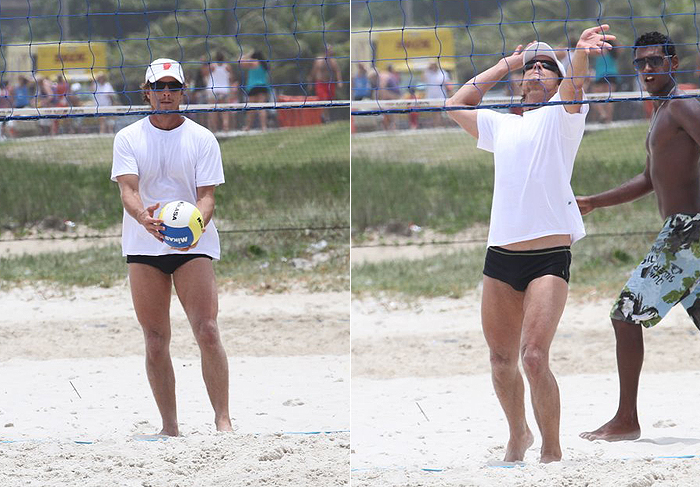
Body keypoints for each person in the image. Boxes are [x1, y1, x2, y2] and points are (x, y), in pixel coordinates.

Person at [445, 25, 615, 463]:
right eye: (532, 67)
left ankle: (552, 453)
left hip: (548, 257)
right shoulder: (500, 125)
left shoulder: (564, 114)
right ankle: (518, 434)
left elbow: (576, 80)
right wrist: (510, 62)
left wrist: (577, 53)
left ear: (559, 83)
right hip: (500, 256)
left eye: (547, 68)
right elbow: (455, 104)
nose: (537, 71)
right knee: (502, 360)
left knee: (534, 357)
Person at [578, 32, 700, 443]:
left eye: (654, 61)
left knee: (624, 316)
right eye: (641, 63)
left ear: (673, 62)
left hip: (689, 232)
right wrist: (595, 201)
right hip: (683, 233)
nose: (647, 70)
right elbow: (650, 178)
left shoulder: (682, 104)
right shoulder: (662, 110)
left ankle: (626, 419)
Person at [110, 58, 233, 437]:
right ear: (146, 92)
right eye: (158, 87)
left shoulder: (201, 138)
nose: (166, 93)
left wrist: (195, 227)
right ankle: (169, 428)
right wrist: (144, 220)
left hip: (192, 243)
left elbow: (207, 197)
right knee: (155, 338)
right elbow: (128, 191)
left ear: (183, 92)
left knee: (207, 330)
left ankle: (223, 421)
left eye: (172, 87)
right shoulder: (128, 137)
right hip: (144, 243)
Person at [204, 52, 238, 133]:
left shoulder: (212, 66)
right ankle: (225, 127)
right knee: (224, 111)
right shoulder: (227, 67)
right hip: (224, 90)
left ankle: (214, 128)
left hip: (213, 90)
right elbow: (231, 78)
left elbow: (205, 74)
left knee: (213, 111)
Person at [590, 40, 620, 123]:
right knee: (609, 98)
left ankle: (603, 114)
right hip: (612, 75)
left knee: (594, 97)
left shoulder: (600, 51)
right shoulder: (613, 52)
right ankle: (608, 120)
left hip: (602, 75)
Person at [240, 50, 270, 131]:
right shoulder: (264, 64)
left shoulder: (254, 62)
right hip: (263, 86)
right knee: (261, 107)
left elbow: (240, 62)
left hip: (253, 86)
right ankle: (264, 127)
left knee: (251, 109)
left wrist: (247, 54)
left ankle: (248, 127)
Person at [422, 62, 453, 126]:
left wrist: (450, 92)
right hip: (431, 95)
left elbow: (447, 83)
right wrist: (427, 69)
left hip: (441, 94)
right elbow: (423, 79)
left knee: (439, 110)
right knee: (433, 111)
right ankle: (437, 124)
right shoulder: (428, 73)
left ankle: (439, 124)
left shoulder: (442, 72)